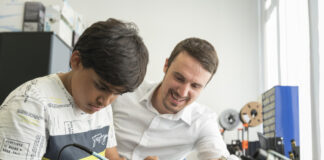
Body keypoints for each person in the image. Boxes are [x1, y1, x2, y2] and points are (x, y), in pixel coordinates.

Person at [0, 18, 148, 160]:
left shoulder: (101, 104)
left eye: (117, 93)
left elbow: (111, 157)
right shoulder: (29, 107)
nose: (106, 101)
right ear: (76, 60)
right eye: (101, 86)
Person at [112, 37, 238, 160]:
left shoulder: (202, 121)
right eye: (179, 78)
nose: (183, 93)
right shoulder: (126, 90)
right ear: (166, 65)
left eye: (195, 86)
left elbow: (218, 154)